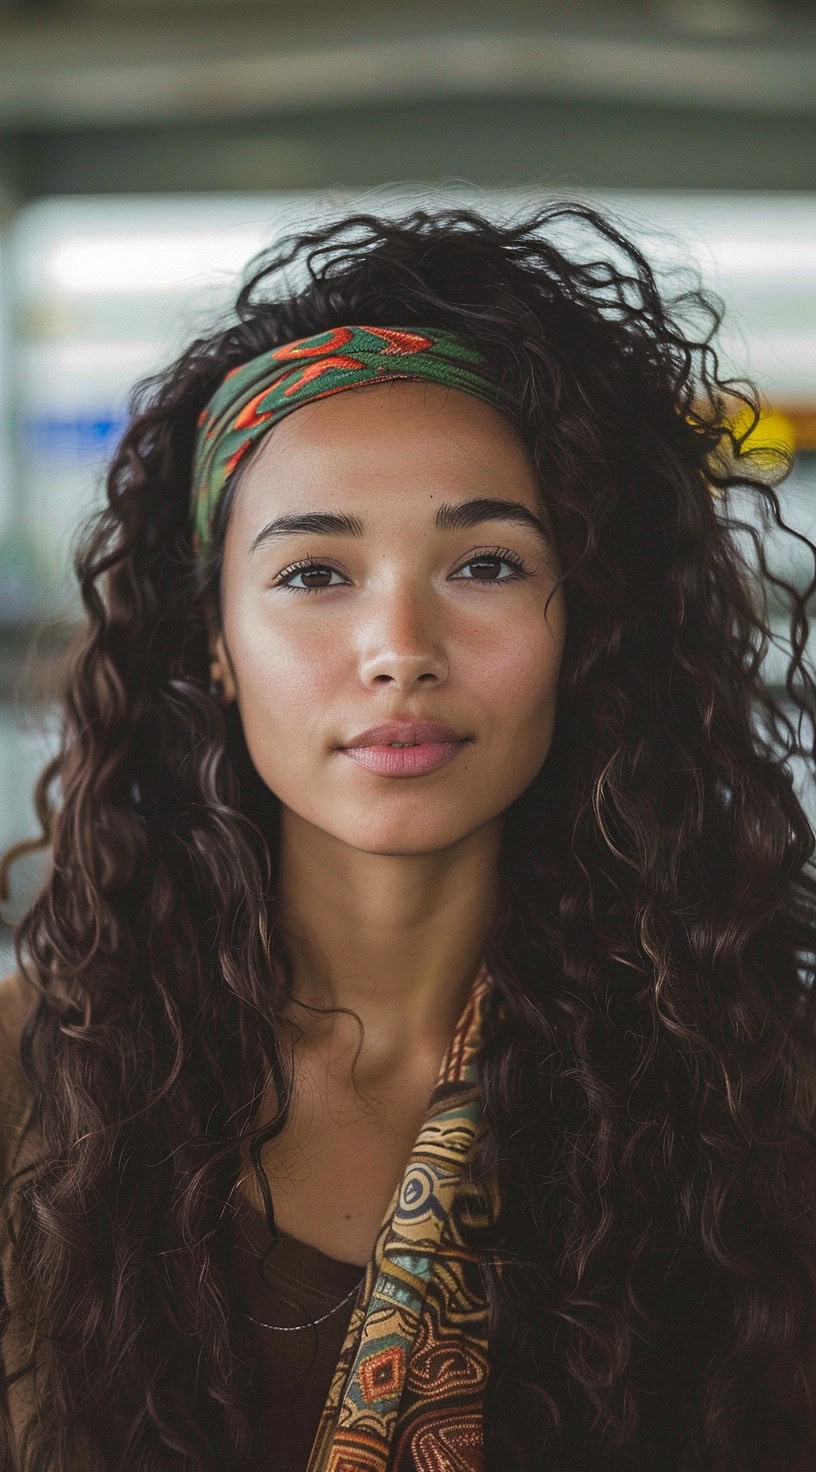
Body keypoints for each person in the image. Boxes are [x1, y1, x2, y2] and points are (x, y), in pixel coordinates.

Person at [0, 200, 815, 1472]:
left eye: (485, 564)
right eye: (314, 573)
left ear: (586, 618)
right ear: (214, 640)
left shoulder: (759, 1087)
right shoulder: (31, 1080)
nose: (400, 652)